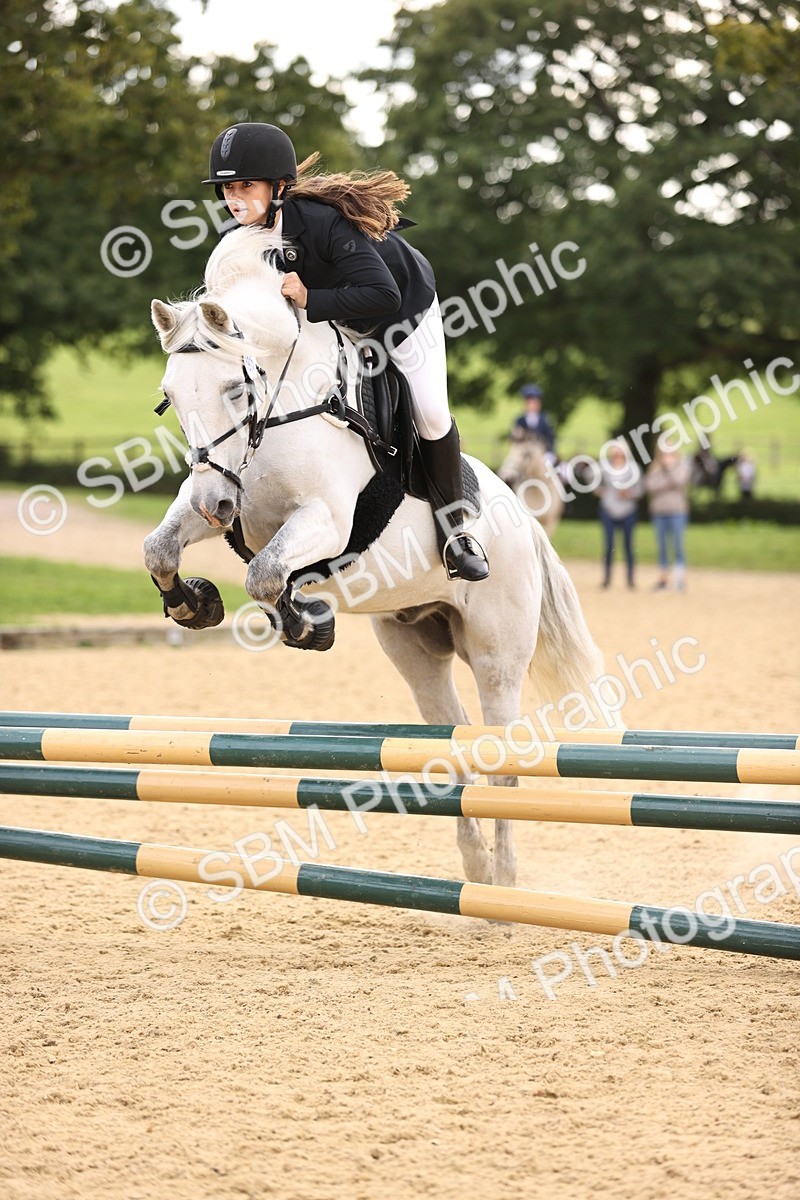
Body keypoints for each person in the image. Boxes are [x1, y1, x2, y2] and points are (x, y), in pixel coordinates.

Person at [202, 122, 488, 582]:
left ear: (278, 187)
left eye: (245, 187)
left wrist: (312, 297)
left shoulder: (322, 223)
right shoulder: (242, 241)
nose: (234, 199)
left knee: (431, 411)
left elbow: (383, 294)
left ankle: (456, 531)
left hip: (402, 310)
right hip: (337, 319)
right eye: (227, 189)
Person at [596, 441, 643, 589]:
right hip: (608, 510)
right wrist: (599, 491)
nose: (617, 455)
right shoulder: (604, 468)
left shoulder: (633, 469)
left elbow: (641, 489)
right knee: (609, 545)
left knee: (628, 545)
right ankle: (607, 578)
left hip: (627, 510)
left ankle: (630, 579)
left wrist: (630, 493)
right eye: (614, 451)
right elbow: (593, 482)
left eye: (619, 451)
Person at [644, 444, 691, 591]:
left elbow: (679, 482)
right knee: (662, 546)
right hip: (659, 512)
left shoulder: (682, 466)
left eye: (670, 452)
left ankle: (679, 579)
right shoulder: (654, 468)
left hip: (677, 512)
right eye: (664, 453)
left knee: (678, 545)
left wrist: (668, 469)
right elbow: (650, 486)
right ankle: (663, 579)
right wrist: (667, 480)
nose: (667, 456)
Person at [511, 385, 556, 457]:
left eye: (534, 402)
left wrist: (550, 452)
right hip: (523, 454)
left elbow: (550, 438)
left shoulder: (545, 419)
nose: (531, 405)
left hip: (543, 453)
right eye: (529, 402)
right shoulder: (520, 420)